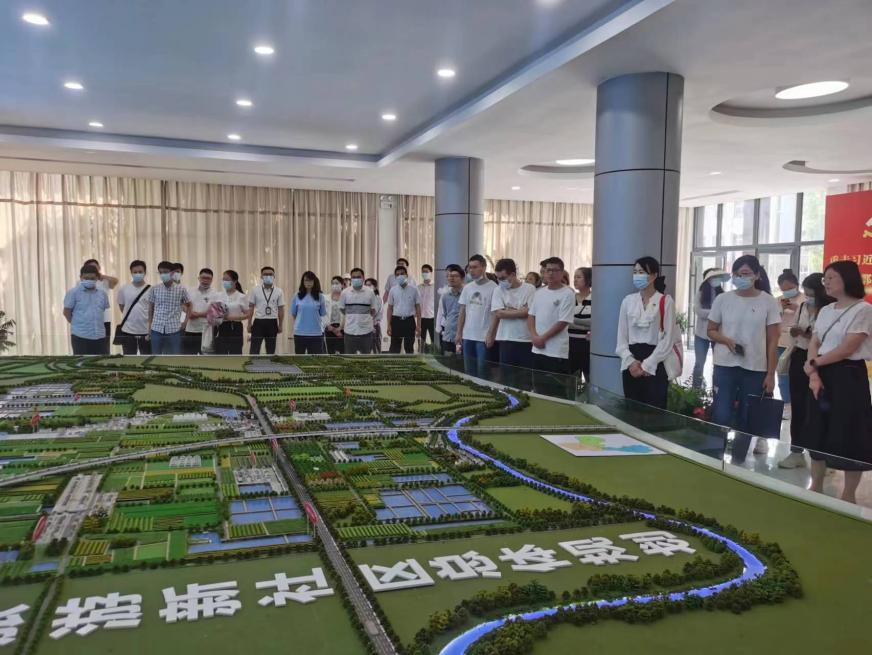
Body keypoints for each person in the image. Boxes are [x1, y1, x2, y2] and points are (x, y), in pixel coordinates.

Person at [804, 261, 872, 503]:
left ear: (847, 279)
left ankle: (848, 494)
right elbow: (814, 342)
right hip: (820, 374)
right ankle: (816, 486)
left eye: (832, 277)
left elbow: (847, 349)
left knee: (851, 432)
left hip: (848, 376)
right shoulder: (825, 310)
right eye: (825, 278)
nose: (827, 282)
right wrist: (813, 374)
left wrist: (814, 364)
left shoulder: (863, 310)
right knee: (817, 430)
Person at [707, 255, 781, 463]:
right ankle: (715, 457)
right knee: (721, 413)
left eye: (746, 274)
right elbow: (711, 330)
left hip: (755, 368)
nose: (741, 278)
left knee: (747, 416)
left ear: (757, 275)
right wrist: (725, 340)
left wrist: (770, 374)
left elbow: (773, 341)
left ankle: (738, 459)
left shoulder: (768, 301)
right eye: (737, 274)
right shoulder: (723, 299)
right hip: (725, 365)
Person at [778, 273, 833, 469]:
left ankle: (823, 458)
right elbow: (796, 330)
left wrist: (809, 335)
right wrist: (795, 331)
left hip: (823, 360)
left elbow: (828, 338)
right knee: (798, 405)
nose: (808, 297)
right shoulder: (802, 306)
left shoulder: (830, 310)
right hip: (800, 357)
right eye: (806, 293)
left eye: (812, 294)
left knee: (820, 408)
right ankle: (796, 452)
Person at [615, 257, 679, 410]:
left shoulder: (666, 301)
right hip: (631, 362)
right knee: (632, 410)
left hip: (656, 360)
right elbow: (621, 339)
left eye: (642, 272)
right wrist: (631, 362)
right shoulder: (628, 301)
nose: (638, 276)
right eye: (635, 272)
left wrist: (647, 365)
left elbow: (667, 339)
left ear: (654, 275)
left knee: (654, 411)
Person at [528, 256, 576, 378]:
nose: (550, 273)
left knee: (555, 387)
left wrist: (542, 338)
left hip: (556, 351)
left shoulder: (568, 293)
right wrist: (534, 336)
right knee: (537, 385)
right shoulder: (539, 293)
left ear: (562, 273)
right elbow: (531, 316)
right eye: (548, 270)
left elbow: (563, 321)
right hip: (537, 349)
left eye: (554, 270)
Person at [488, 258, 535, 370]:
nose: (500, 281)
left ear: (513, 274)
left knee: (525, 377)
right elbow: (499, 313)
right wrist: (521, 310)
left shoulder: (529, 288)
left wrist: (507, 310)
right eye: (497, 278)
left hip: (526, 339)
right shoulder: (498, 290)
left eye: (503, 278)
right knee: (506, 376)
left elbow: (530, 312)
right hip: (505, 338)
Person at [456, 255, 497, 377]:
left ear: (484, 267)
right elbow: (462, 310)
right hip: (467, 336)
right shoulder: (467, 288)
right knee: (469, 371)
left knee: (482, 371)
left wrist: (491, 334)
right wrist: (459, 332)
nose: (471, 270)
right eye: (470, 267)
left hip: (483, 337)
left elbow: (496, 314)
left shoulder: (494, 288)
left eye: (475, 267)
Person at [692, 268, 729, 389]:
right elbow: (699, 311)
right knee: (699, 363)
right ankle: (696, 389)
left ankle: (716, 389)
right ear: (707, 279)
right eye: (714, 278)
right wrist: (715, 312)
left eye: (718, 278)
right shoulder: (700, 293)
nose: (716, 280)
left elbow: (725, 313)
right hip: (701, 334)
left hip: (717, 335)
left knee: (717, 363)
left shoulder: (723, 295)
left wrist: (711, 313)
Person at [63, 263, 110, 355]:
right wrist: (77, 324)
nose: (89, 280)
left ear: (97, 278)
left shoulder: (103, 294)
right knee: (82, 362)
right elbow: (66, 312)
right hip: (80, 336)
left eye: (92, 278)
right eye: (86, 278)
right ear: (81, 277)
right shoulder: (73, 293)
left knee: (101, 362)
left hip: (100, 336)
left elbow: (102, 310)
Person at [146, 260, 191, 355]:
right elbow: (151, 309)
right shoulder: (154, 288)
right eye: (160, 272)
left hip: (174, 330)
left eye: (165, 272)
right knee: (155, 357)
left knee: (174, 358)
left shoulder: (181, 289)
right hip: (156, 329)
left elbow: (189, 305)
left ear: (172, 273)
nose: (163, 274)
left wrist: (185, 322)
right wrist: (149, 327)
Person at [776, 269, 804, 417]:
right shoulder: (779, 300)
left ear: (796, 285)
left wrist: (797, 309)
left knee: (798, 374)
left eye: (789, 288)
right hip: (781, 343)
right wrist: (780, 310)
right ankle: (786, 403)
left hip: (799, 344)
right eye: (784, 289)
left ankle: (798, 404)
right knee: (782, 374)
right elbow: (773, 319)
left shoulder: (805, 300)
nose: (787, 291)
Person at [115, 260, 152, 355]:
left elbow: (153, 310)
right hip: (128, 330)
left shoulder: (152, 290)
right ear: (131, 273)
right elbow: (122, 307)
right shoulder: (124, 289)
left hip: (146, 331)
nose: (137, 274)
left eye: (140, 272)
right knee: (129, 359)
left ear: (145, 272)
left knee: (147, 358)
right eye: (135, 272)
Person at [82, 258, 118, 354]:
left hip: (104, 320)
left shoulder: (104, 281)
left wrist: (102, 276)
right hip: (88, 321)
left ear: (99, 268)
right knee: (89, 348)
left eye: (95, 267)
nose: (93, 269)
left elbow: (115, 281)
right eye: (90, 267)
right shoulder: (83, 282)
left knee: (104, 348)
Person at [247, 266, 285, 355]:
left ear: (274, 276)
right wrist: (249, 323)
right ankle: (252, 363)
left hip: (272, 322)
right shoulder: (255, 290)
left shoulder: (279, 291)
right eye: (265, 274)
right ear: (261, 276)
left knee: (271, 349)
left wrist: (280, 325)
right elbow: (251, 307)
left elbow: (281, 309)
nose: (268, 276)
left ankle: (270, 363)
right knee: (254, 348)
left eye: (270, 274)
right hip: (258, 322)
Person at [340, 268, 378, 354]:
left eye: (358, 277)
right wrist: (352, 316)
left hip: (366, 332)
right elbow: (342, 309)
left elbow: (373, 310)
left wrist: (363, 318)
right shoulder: (345, 292)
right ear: (351, 279)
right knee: (349, 359)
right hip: (349, 331)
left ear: (363, 278)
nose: (356, 279)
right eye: (354, 277)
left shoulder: (370, 292)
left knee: (365, 358)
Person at [386, 264, 421, 353]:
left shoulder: (414, 290)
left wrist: (419, 325)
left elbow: (418, 308)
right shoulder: (393, 290)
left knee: (409, 348)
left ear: (406, 275)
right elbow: (390, 308)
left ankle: (409, 362)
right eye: (397, 274)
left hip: (409, 321)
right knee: (394, 348)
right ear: (395, 277)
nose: (400, 276)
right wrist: (388, 325)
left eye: (402, 274)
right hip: (396, 321)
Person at [214, 270, 249, 355]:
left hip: (235, 327)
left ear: (235, 281)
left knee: (235, 353)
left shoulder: (241, 296)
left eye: (227, 279)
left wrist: (230, 318)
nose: (224, 282)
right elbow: (214, 312)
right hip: (221, 327)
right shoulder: (218, 295)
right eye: (223, 280)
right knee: (221, 353)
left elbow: (248, 314)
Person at [291, 271, 327, 354]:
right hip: (300, 333)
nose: (308, 283)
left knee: (315, 359)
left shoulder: (320, 296)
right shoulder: (297, 295)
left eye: (311, 280)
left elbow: (322, 313)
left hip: (316, 333)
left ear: (314, 281)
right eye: (306, 280)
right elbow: (294, 314)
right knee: (300, 358)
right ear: (303, 282)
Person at [182, 268, 215, 355]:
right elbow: (183, 305)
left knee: (206, 359)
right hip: (190, 330)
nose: (205, 280)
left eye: (208, 278)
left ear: (212, 280)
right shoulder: (190, 291)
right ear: (199, 278)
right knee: (189, 358)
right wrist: (189, 312)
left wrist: (197, 314)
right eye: (203, 278)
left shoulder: (215, 294)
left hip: (206, 331)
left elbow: (215, 312)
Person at [568, 267, 592, 381]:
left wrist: (572, 321)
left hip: (588, 344)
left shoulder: (595, 297)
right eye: (574, 277)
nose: (575, 280)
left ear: (588, 279)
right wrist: (585, 325)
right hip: (569, 343)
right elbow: (564, 322)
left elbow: (595, 323)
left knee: (589, 377)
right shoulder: (570, 298)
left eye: (578, 277)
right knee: (572, 379)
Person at [437, 264, 465, 355]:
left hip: (463, 336)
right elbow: (446, 314)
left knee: (460, 359)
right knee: (448, 360)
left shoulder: (466, 294)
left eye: (455, 276)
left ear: (462, 278)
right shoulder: (445, 296)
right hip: (448, 335)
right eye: (449, 276)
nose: (451, 278)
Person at [323, 276, 345, 354]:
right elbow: (323, 314)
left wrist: (340, 328)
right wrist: (331, 328)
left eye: (337, 283)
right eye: (333, 283)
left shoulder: (346, 297)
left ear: (342, 285)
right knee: (330, 352)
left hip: (342, 329)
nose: (334, 285)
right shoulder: (325, 298)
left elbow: (347, 314)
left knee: (343, 352)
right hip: (329, 328)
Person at [418, 264, 436, 353]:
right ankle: (420, 355)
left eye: (426, 271)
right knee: (421, 339)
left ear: (431, 273)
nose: (424, 273)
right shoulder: (418, 287)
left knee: (434, 339)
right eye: (423, 271)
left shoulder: (435, 286)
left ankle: (435, 355)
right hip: (421, 317)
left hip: (432, 317)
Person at [365, 278, 383, 353]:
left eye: (369, 285)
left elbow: (373, 313)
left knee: (375, 350)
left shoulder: (377, 298)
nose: (367, 287)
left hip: (374, 326)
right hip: (365, 326)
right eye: (366, 285)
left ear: (375, 287)